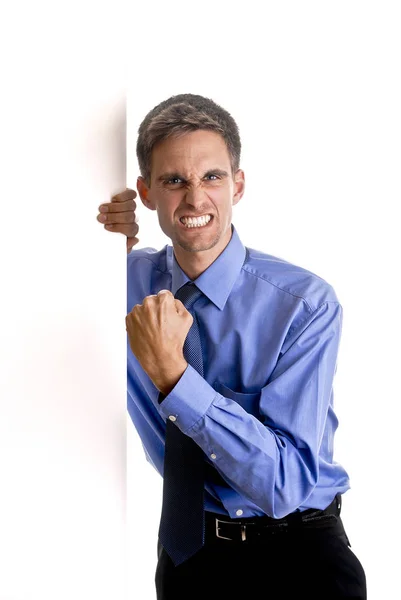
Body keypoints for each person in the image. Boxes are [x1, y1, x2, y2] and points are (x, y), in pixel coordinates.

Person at [96, 93, 367, 599]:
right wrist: (94, 227)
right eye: (174, 180)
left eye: (212, 177)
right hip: (187, 556)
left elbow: (285, 482)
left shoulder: (304, 305)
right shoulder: (116, 281)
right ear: (147, 193)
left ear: (238, 185)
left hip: (300, 559)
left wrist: (176, 380)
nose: (196, 199)